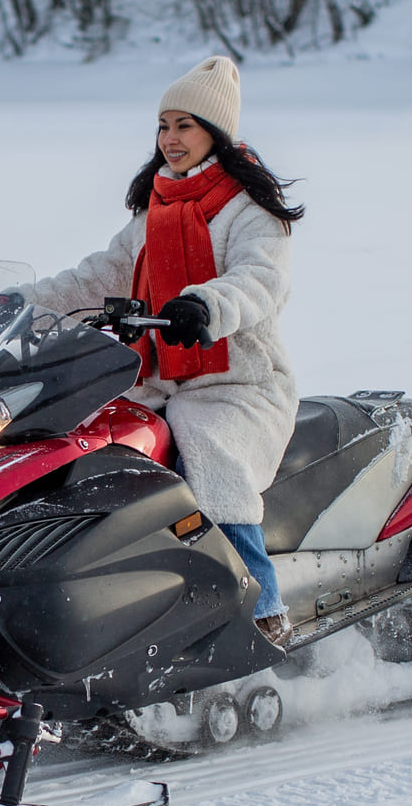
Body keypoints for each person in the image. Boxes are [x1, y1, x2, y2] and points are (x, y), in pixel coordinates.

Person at [16, 55, 304, 643]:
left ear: (215, 134)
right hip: (158, 379)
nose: (171, 139)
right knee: (93, 442)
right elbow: (101, 273)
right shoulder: (159, 206)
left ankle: (262, 608)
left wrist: (205, 306)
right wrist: (20, 304)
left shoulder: (250, 214)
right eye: (163, 125)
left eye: (186, 126)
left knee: (205, 446)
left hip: (238, 384)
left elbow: (260, 281)